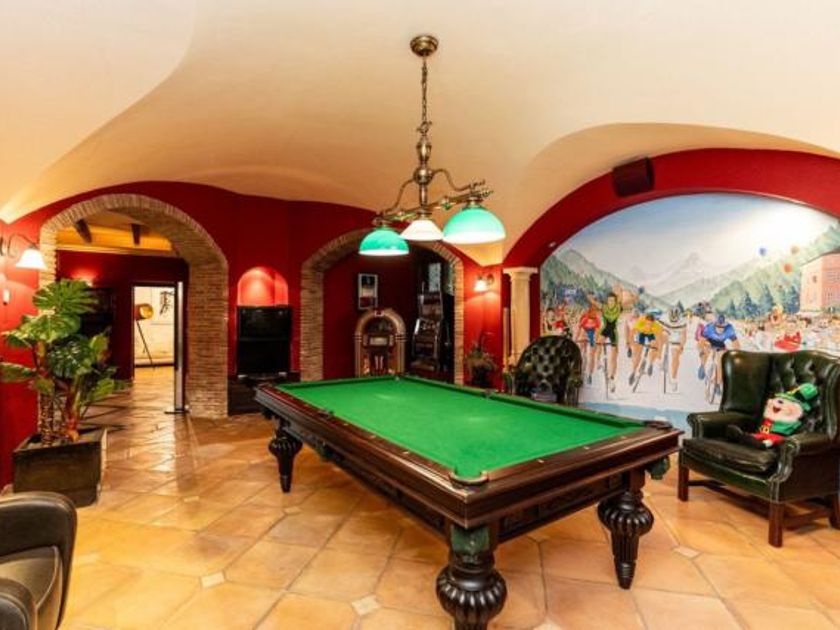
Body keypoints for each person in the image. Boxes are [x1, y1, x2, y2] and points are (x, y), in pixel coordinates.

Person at [699, 314, 741, 395]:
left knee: (721, 362)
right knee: (705, 350)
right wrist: (702, 351)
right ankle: (702, 365)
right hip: (709, 342)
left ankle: (717, 384)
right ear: (714, 325)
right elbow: (701, 342)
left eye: (722, 327)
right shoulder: (709, 327)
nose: (720, 329)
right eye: (718, 326)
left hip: (720, 344)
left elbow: (736, 344)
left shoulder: (729, 329)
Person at [589, 292, 621, 392]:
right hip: (605, 330)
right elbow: (594, 302)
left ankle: (612, 378)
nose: (611, 302)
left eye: (613, 301)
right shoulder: (604, 307)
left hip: (613, 332)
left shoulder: (618, 307)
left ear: (615, 302)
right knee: (599, 342)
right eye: (609, 300)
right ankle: (598, 361)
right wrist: (591, 297)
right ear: (607, 301)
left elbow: (629, 302)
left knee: (614, 357)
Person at [629, 311, 662, 385]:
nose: (648, 325)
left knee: (654, 345)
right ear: (645, 321)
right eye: (647, 323)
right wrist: (631, 345)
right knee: (638, 353)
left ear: (653, 323)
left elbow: (659, 338)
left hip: (651, 334)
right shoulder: (640, 321)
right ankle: (633, 372)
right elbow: (632, 332)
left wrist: (656, 348)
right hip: (641, 333)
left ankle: (651, 363)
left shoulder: (656, 326)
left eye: (650, 324)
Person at [660, 307, 687, 392]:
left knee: (675, 357)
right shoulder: (664, 317)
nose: (673, 321)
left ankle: (674, 379)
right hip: (667, 331)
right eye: (672, 319)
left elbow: (683, 335)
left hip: (676, 335)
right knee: (661, 336)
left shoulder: (683, 321)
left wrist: (681, 346)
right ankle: (660, 359)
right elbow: (659, 330)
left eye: (675, 320)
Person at [577, 304, 601, 385]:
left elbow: (597, 332)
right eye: (592, 311)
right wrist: (576, 339)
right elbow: (579, 329)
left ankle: (590, 374)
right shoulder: (585, 318)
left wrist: (595, 341)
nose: (594, 313)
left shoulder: (597, 320)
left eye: (595, 312)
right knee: (580, 351)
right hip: (584, 335)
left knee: (591, 355)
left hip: (592, 336)